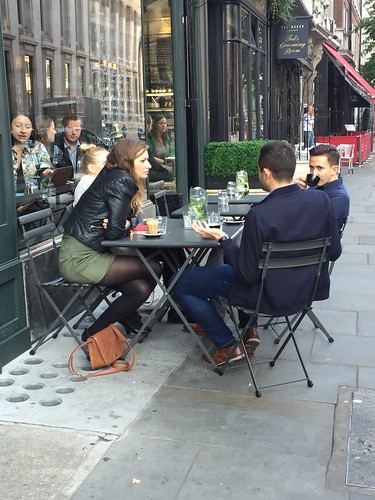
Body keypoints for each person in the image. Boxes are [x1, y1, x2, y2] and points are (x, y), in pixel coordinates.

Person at [171, 141, 341, 366]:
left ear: (267, 173)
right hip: (305, 292)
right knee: (229, 270)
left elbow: (246, 275)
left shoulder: (259, 215)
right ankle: (249, 330)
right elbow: (335, 252)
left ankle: (227, 343)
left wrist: (223, 239)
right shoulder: (322, 200)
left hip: (266, 296)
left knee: (178, 283)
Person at [59, 138, 162, 339]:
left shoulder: (113, 175)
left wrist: (126, 223)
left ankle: (125, 315)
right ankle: (92, 334)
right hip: (79, 258)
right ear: (127, 161)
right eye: (142, 161)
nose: (149, 165)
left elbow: (119, 223)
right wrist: (128, 224)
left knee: (139, 290)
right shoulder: (121, 180)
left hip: (91, 251)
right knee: (155, 267)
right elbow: (115, 231)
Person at [295, 144, 350, 230]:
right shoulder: (316, 187)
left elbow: (315, 226)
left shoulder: (339, 197)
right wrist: (299, 192)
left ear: (334, 170)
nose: (314, 173)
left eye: (319, 168)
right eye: (311, 168)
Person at [11, 112, 54, 213]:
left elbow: (46, 178)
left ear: (32, 130)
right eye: (18, 126)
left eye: (27, 127)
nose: (23, 130)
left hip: (33, 203)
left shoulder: (37, 147)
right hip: (8, 204)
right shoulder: (3, 148)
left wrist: (47, 174)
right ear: (9, 127)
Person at [145, 114, 173, 182]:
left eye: (165, 123)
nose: (163, 125)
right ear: (155, 125)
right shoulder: (150, 138)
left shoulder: (167, 139)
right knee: (170, 172)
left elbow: (170, 153)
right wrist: (164, 162)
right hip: (156, 164)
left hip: (166, 162)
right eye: (161, 123)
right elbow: (151, 157)